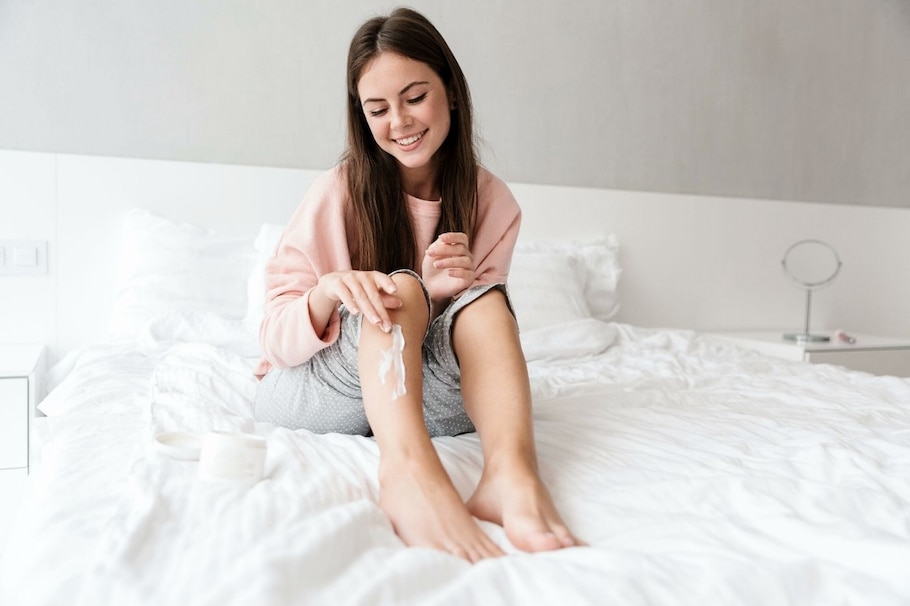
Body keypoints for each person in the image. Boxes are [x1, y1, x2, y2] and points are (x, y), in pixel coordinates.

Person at [253, 7, 580, 562]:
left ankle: (512, 475)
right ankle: (406, 472)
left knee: (485, 304)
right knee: (400, 289)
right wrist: (330, 292)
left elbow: (478, 334)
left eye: (414, 97)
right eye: (377, 109)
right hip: (318, 390)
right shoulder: (338, 191)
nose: (399, 122)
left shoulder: (491, 201)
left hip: (425, 395)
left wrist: (443, 294)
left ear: (451, 92)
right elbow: (273, 340)